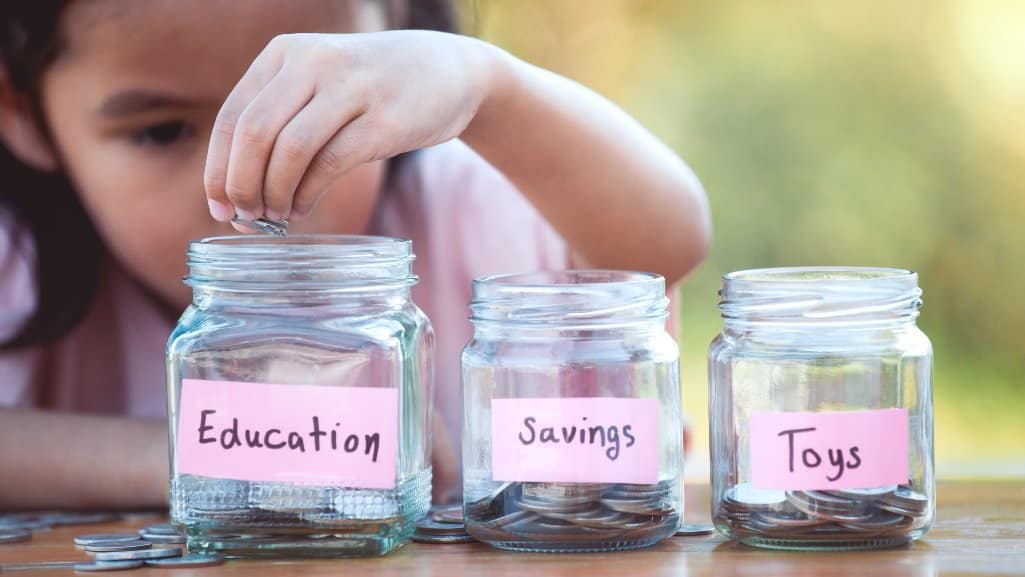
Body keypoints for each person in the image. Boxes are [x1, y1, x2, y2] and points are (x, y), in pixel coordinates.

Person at [0, 0, 710, 508]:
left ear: (396, 25)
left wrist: (488, 88)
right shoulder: (21, 255)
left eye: (317, 117)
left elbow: (665, 245)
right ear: (22, 112)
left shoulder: (471, 199)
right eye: (162, 132)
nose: (251, 184)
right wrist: (219, 455)